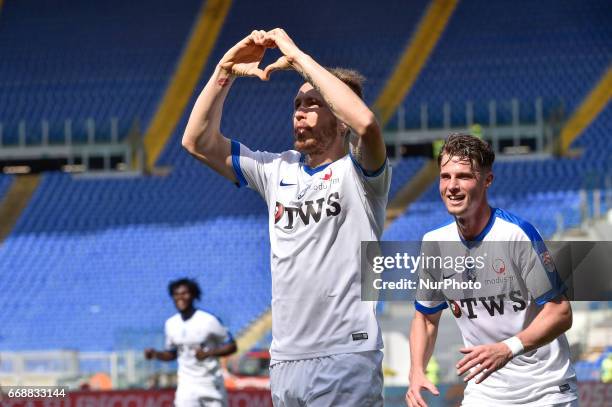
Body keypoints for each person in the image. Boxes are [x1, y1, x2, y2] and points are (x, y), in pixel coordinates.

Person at [181, 28, 390, 406]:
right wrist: (224, 69)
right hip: (286, 359)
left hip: (346, 355)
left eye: (313, 104)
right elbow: (196, 141)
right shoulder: (276, 170)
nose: (299, 112)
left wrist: (298, 57)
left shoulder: (360, 174)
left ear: (339, 120)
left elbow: (368, 124)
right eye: (297, 104)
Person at [406, 134, 578, 407]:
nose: (451, 186)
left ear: (487, 180)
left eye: (463, 176)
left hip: (545, 392)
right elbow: (426, 319)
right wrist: (416, 371)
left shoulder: (515, 235)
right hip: (484, 393)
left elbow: (560, 312)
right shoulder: (435, 244)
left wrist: (508, 348)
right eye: (445, 176)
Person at [145, 278, 237, 407]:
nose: (180, 298)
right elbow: (171, 354)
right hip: (187, 384)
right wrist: (155, 354)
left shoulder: (208, 320)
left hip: (210, 383)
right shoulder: (171, 324)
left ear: (193, 295)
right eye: (176, 294)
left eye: (184, 293)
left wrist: (209, 353)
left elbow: (232, 346)